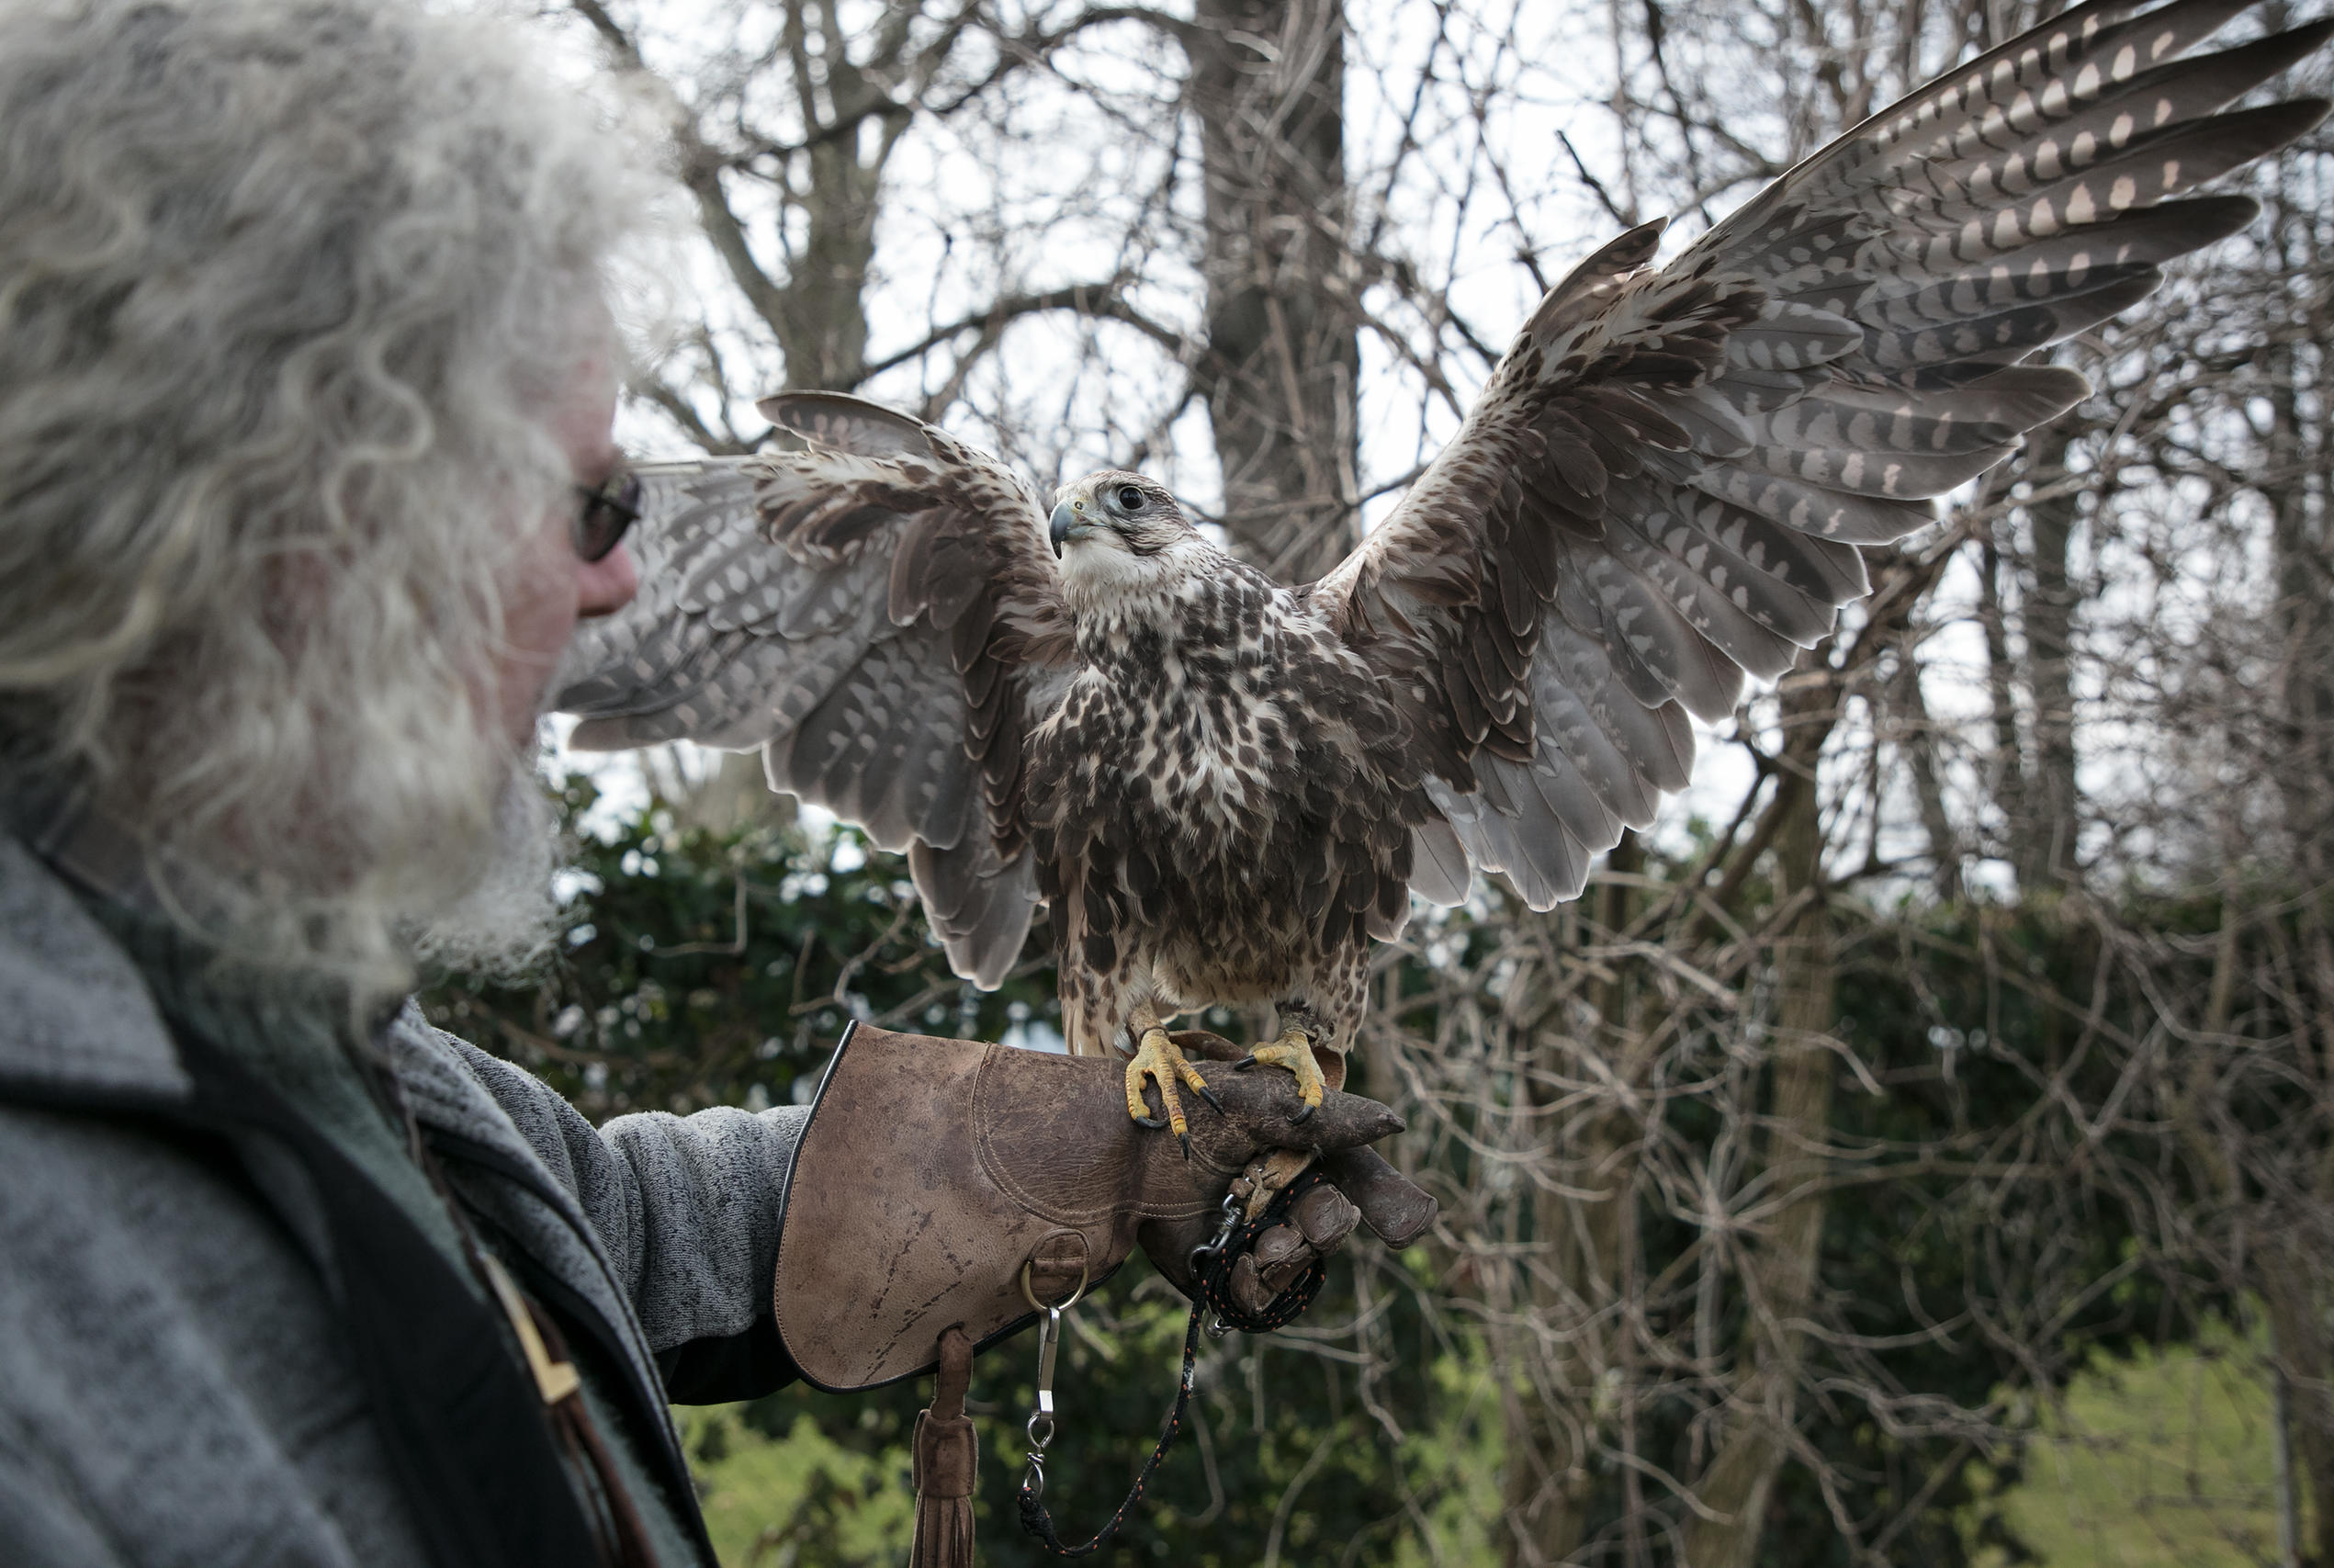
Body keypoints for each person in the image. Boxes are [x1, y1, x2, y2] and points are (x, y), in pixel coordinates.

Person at [0, 3, 1431, 1564]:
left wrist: (1087, 1160)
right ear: (295, 511)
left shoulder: (269, 1013)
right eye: (595, 507)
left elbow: (594, 1235)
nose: (621, 590)